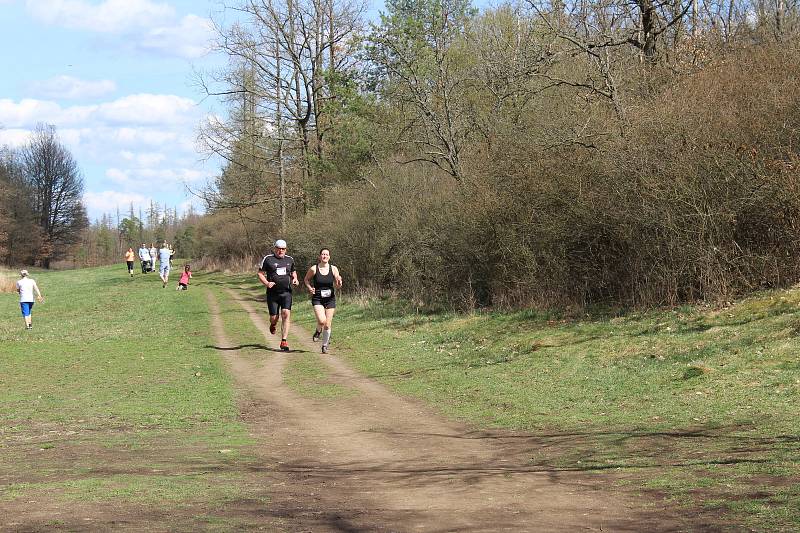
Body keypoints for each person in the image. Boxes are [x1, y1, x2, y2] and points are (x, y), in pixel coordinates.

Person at [258, 239, 299, 351]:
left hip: (286, 292)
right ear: (275, 248)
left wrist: (295, 279)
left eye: (283, 249)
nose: (281, 251)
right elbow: (260, 273)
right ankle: (273, 324)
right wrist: (267, 283)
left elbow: (293, 272)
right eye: (279, 248)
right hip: (273, 294)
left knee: (286, 314)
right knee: (274, 318)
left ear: (286, 249)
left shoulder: (290, 259)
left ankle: (284, 341)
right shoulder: (268, 259)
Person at [303, 248, 343, 354]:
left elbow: (338, 284)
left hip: (330, 299)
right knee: (322, 321)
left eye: (327, 254)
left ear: (329, 257)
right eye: (323, 254)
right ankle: (318, 330)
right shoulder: (314, 268)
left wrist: (339, 283)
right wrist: (310, 288)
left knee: (328, 324)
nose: (325, 256)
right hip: (318, 298)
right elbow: (306, 279)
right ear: (320, 256)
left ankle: (324, 345)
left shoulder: (333, 268)